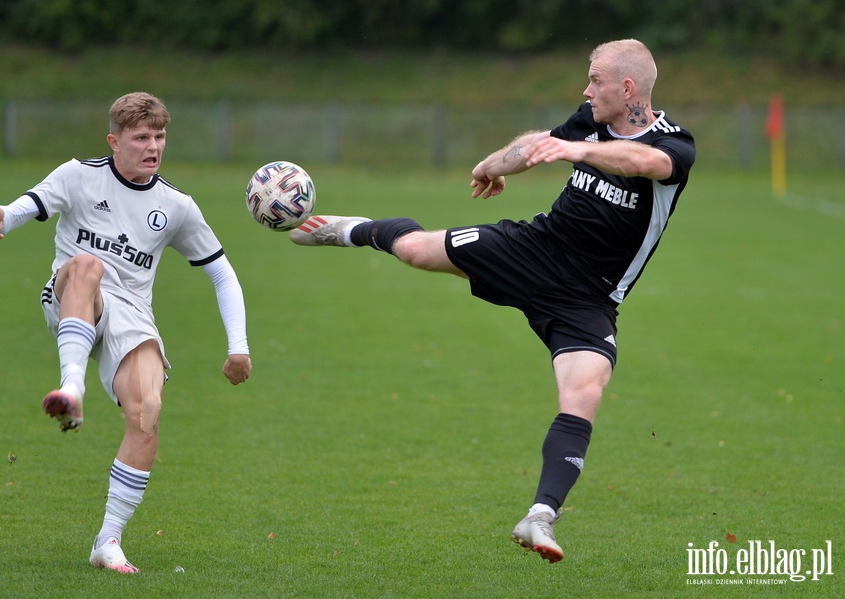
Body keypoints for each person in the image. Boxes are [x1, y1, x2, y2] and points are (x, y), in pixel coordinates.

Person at [289, 39, 695, 563]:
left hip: (588, 296)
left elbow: (645, 162)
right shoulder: (587, 119)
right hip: (534, 248)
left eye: (595, 80)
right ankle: (349, 230)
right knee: (414, 249)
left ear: (628, 88)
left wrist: (578, 150)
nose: (586, 89)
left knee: (584, 394)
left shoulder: (675, 144)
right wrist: (493, 163)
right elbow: (537, 144)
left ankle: (540, 517)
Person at [0, 92, 253, 573]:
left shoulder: (176, 206)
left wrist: (238, 348)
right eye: (141, 137)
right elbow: (32, 203)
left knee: (147, 411)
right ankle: (72, 386)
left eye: (160, 136)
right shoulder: (79, 175)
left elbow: (222, 273)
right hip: (73, 291)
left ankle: (107, 540)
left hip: (132, 314)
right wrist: (7, 216)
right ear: (114, 141)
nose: (153, 146)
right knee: (86, 264)